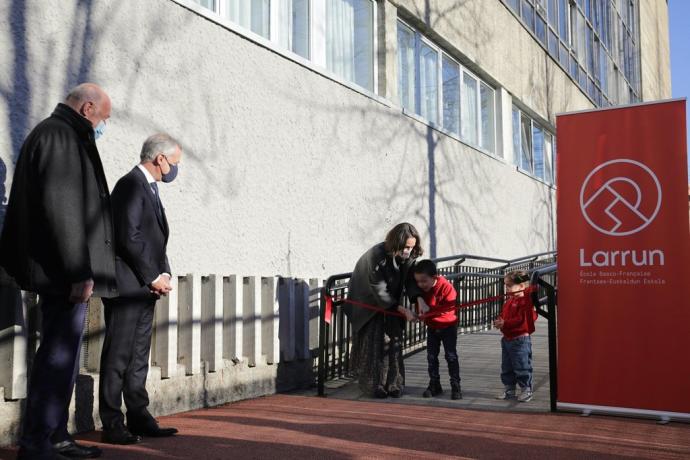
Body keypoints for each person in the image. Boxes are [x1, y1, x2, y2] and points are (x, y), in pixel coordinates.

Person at [0, 83, 115, 459]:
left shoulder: (59, 135)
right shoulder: (60, 137)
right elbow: (63, 212)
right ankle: (38, 442)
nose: (103, 127)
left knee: (61, 357)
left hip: (58, 271)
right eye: (103, 118)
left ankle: (54, 435)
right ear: (86, 108)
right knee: (57, 357)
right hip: (61, 275)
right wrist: (79, 272)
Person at [98, 134, 181, 444]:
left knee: (138, 357)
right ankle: (111, 422)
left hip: (144, 288)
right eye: (174, 163)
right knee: (118, 356)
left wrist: (163, 273)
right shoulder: (131, 184)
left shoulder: (150, 188)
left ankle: (138, 415)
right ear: (160, 159)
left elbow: (154, 240)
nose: (174, 169)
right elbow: (129, 236)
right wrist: (151, 276)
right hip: (127, 288)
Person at [346, 222, 421, 398]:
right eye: (405, 247)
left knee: (394, 340)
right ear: (395, 242)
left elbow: (410, 278)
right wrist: (402, 309)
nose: (407, 251)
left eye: (411, 247)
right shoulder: (376, 256)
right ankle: (373, 385)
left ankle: (394, 383)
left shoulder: (408, 254)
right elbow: (379, 289)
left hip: (390, 301)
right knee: (376, 341)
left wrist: (418, 299)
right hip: (367, 302)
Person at [412, 260, 462, 400]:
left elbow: (448, 309)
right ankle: (434, 384)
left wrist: (429, 311)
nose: (421, 284)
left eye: (424, 281)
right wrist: (420, 315)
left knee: (451, 356)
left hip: (448, 327)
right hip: (432, 327)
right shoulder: (421, 291)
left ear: (434, 277)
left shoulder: (447, 287)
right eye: (418, 281)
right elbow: (419, 305)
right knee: (431, 357)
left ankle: (455, 385)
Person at [493, 270, 538, 402]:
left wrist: (505, 323)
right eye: (505, 285)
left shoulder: (525, 302)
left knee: (522, 365)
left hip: (520, 340)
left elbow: (521, 320)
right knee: (507, 366)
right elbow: (505, 316)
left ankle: (526, 389)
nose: (506, 288)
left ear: (522, 286)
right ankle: (509, 389)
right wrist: (500, 322)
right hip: (507, 339)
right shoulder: (509, 301)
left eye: (509, 285)